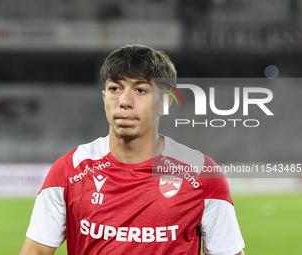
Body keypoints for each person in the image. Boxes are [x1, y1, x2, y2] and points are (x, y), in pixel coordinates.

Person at [19, 44, 245, 255]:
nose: (125, 101)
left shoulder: (202, 173)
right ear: (104, 97)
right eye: (115, 88)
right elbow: (35, 251)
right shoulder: (69, 170)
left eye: (141, 90)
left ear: (165, 102)